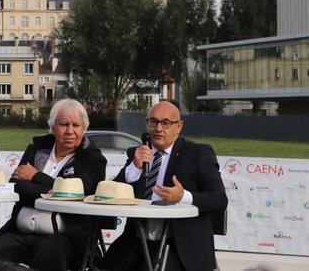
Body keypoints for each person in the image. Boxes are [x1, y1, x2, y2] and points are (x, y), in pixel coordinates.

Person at [97, 101, 227, 271]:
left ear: (179, 126)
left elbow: (219, 199)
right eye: (153, 122)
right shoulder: (137, 154)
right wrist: (134, 167)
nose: (158, 128)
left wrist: (183, 197)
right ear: (146, 123)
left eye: (165, 123)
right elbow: (114, 194)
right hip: (136, 241)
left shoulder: (197, 154)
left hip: (178, 245)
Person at [0, 98, 106, 271]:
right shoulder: (35, 150)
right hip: (19, 233)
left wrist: (36, 176)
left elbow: (81, 192)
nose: (70, 131)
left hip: (64, 236)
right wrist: (52, 191)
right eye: (63, 124)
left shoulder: (93, 159)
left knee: (47, 261)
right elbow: (16, 184)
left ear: (83, 129)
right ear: (53, 128)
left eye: (76, 125)